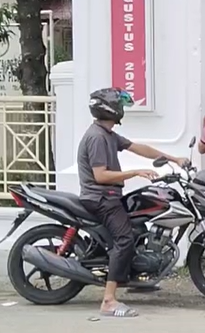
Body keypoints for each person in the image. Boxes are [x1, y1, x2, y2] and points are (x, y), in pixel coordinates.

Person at [78, 88, 189, 319]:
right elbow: (100, 175)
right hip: (101, 198)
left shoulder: (108, 134)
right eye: (120, 105)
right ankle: (108, 301)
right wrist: (136, 172)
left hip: (109, 195)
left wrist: (174, 159)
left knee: (138, 227)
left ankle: (138, 277)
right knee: (125, 239)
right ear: (110, 109)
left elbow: (138, 148)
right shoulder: (97, 137)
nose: (122, 110)